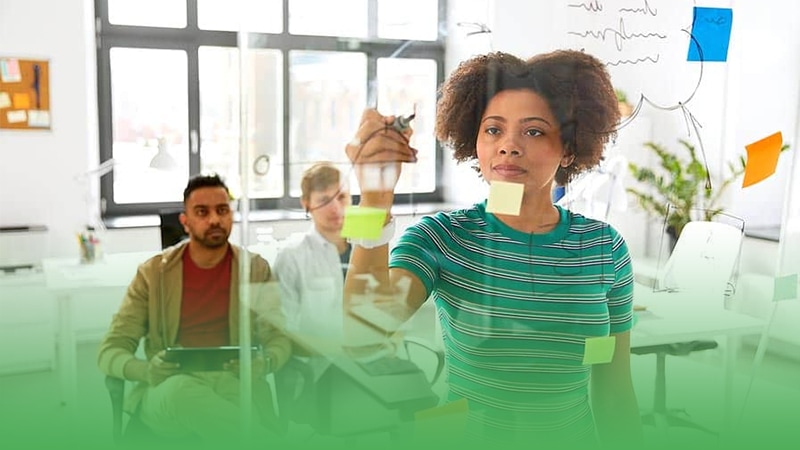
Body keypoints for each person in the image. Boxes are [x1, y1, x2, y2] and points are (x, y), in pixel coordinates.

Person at [343, 50, 643, 447]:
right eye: (493, 130)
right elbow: (361, 335)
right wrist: (373, 201)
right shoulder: (443, 237)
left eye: (533, 131)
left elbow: (613, 388)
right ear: (475, 142)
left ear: (568, 149)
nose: (509, 146)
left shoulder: (604, 248)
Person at [97, 174, 291, 445]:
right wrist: (146, 372)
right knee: (183, 391)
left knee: (235, 406)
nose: (214, 220)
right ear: (185, 221)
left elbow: (278, 338)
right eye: (202, 212)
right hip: (168, 388)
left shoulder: (255, 269)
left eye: (222, 210)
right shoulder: (153, 274)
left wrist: (264, 363)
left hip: (232, 382)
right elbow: (110, 350)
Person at [273, 162, 352, 340]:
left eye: (342, 198)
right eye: (324, 200)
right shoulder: (291, 256)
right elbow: (285, 327)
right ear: (306, 204)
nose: (335, 208)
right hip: (315, 362)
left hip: (369, 358)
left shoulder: (367, 250)